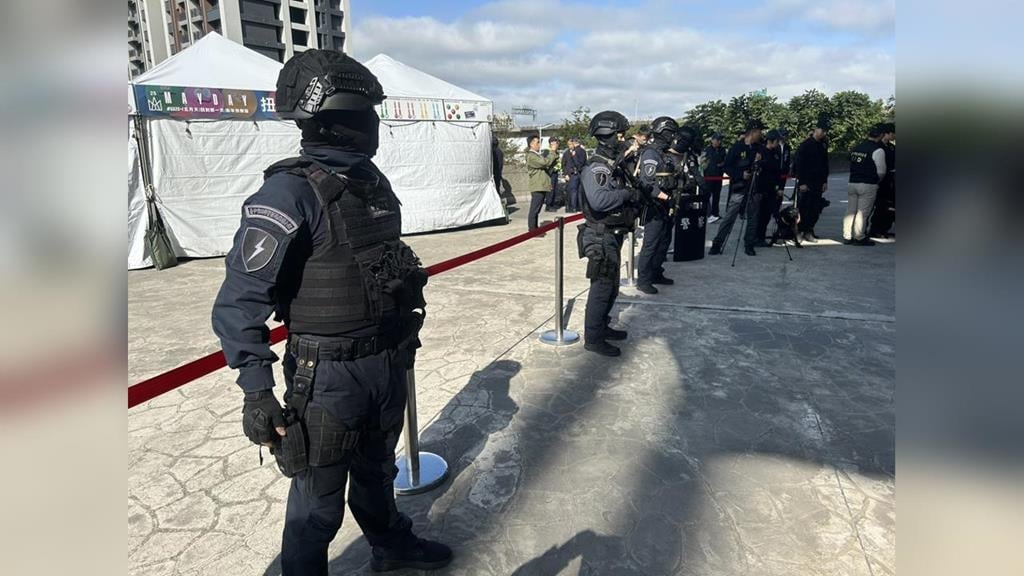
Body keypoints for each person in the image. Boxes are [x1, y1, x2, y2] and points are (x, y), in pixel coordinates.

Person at [210, 50, 452, 575]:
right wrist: (256, 390)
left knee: (377, 473)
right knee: (317, 508)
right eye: (364, 115)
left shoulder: (370, 182)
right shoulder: (288, 192)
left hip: (385, 360)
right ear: (331, 121)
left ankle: (390, 545)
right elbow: (238, 302)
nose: (373, 125)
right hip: (326, 377)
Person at [579, 111, 639, 357]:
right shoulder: (597, 167)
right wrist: (627, 195)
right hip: (599, 236)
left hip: (611, 234)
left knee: (611, 287)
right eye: (620, 135)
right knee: (602, 288)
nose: (623, 140)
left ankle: (602, 327)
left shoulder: (611, 165)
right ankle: (593, 338)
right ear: (607, 135)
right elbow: (599, 200)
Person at [708, 119, 765, 257]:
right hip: (739, 188)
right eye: (759, 131)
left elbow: (765, 164)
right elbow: (727, 167)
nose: (761, 134)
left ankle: (749, 244)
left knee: (753, 218)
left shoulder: (759, 148)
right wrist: (740, 174)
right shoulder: (737, 147)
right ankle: (717, 243)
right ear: (753, 132)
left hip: (755, 187)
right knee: (729, 217)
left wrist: (760, 162)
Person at [635, 116, 678, 294]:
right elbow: (647, 184)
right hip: (654, 205)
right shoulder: (651, 153)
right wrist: (666, 198)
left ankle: (656, 272)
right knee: (651, 244)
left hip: (665, 204)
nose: (672, 137)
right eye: (670, 133)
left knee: (664, 241)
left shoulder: (664, 153)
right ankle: (643, 280)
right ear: (663, 133)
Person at [843, 124, 887, 246]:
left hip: (852, 182)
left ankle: (847, 236)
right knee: (862, 212)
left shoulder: (857, 147)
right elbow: (881, 171)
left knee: (850, 210)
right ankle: (859, 237)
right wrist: (877, 181)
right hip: (868, 184)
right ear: (881, 135)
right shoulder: (878, 150)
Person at [794, 118, 830, 243]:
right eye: (822, 130)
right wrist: (802, 182)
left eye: (825, 131)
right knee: (804, 209)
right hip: (806, 182)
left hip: (818, 182)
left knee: (815, 209)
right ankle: (799, 232)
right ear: (816, 129)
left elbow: (825, 164)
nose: (824, 133)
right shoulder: (806, 145)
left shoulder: (823, 145)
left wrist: (825, 181)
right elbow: (799, 165)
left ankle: (809, 231)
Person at [754, 130, 784, 246]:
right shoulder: (760, 151)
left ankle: (761, 237)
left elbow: (779, 172)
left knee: (768, 214)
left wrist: (780, 187)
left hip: (772, 188)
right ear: (771, 141)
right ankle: (755, 237)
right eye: (777, 141)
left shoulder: (776, 153)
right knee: (759, 215)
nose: (778, 143)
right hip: (761, 188)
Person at [868, 123, 895, 238]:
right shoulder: (877, 146)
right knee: (879, 206)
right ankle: (874, 229)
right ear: (886, 134)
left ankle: (884, 229)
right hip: (879, 180)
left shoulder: (891, 147)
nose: (894, 136)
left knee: (889, 206)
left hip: (890, 181)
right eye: (893, 134)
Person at [526, 134, 559, 231]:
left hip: (541, 185)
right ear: (531, 144)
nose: (539, 145)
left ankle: (535, 228)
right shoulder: (531, 156)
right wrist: (552, 151)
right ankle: (532, 229)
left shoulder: (536, 155)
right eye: (537, 142)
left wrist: (554, 152)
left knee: (537, 209)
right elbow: (545, 162)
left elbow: (548, 163)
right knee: (534, 209)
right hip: (537, 185)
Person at [702, 132, 727, 222]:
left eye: (720, 140)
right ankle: (708, 213)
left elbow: (725, 160)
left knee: (717, 196)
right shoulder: (707, 150)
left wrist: (722, 165)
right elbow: (703, 163)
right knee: (707, 195)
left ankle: (715, 213)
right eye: (718, 140)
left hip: (718, 176)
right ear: (712, 140)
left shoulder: (722, 150)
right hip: (709, 176)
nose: (719, 142)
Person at [562, 136, 588, 213]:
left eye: (571, 143)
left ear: (574, 143)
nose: (570, 145)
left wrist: (574, 156)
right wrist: (565, 174)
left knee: (574, 191)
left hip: (575, 173)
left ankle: (573, 208)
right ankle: (579, 207)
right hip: (577, 173)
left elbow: (578, 164)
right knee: (577, 191)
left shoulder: (575, 151)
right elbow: (564, 164)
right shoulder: (581, 151)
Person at [544, 136, 563, 211]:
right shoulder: (547, 151)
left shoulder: (556, 152)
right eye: (555, 143)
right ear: (551, 143)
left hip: (555, 172)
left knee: (555, 189)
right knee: (550, 190)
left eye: (557, 143)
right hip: (550, 173)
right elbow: (546, 162)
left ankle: (552, 204)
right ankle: (548, 205)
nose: (556, 144)